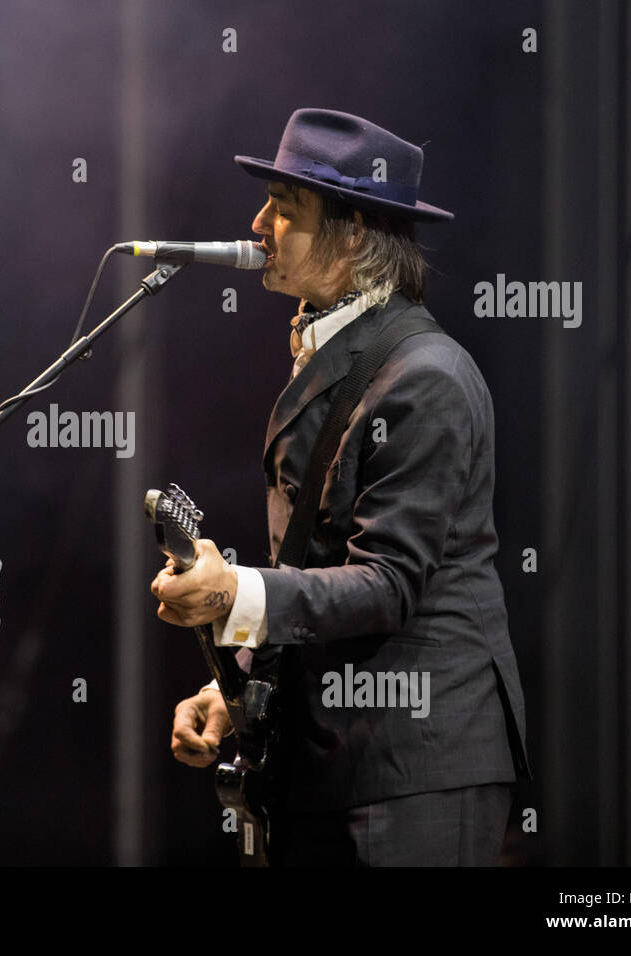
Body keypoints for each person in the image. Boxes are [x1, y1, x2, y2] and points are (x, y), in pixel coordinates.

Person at [149, 108, 532, 866]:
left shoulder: (424, 377)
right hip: (340, 761)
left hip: (415, 763)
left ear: (353, 232)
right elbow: (321, 563)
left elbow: (387, 584)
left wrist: (235, 595)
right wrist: (240, 691)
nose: (258, 224)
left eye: (284, 208)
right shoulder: (339, 351)